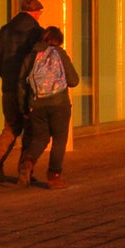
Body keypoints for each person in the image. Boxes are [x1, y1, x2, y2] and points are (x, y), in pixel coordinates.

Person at [0, 0, 43, 181]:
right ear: (36, 13)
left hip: (9, 88)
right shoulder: (37, 33)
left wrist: (6, 74)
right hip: (28, 90)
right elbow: (39, 62)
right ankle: (23, 172)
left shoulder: (6, 29)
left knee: (10, 127)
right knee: (31, 129)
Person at [15, 26, 79, 189]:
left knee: (40, 138)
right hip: (59, 105)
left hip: (36, 105)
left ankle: (28, 162)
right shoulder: (60, 54)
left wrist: (24, 108)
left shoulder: (31, 56)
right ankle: (54, 177)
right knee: (59, 140)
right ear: (59, 41)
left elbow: (22, 85)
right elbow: (73, 80)